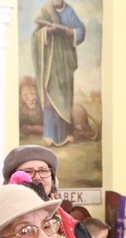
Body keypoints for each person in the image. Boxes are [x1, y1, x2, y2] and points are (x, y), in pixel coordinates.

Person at [32, 0, 85, 147]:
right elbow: (36, 34)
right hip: (50, 63)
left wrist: (68, 31)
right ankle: (49, 134)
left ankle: (66, 133)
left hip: (65, 63)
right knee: (50, 97)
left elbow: (81, 30)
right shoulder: (46, 9)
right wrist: (46, 32)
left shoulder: (69, 11)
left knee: (64, 99)